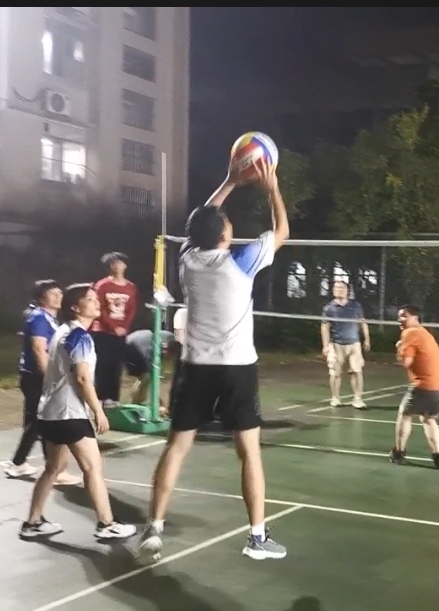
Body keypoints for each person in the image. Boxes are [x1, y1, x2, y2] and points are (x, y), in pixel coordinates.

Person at [137, 156, 289, 563]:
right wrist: (271, 188)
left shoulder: (187, 260)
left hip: (194, 368)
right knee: (249, 452)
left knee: (176, 448)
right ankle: (256, 537)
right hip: (236, 368)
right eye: (226, 223)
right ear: (224, 233)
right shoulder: (241, 261)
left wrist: (229, 181)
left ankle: (154, 528)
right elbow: (282, 231)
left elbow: (200, 222)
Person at [19, 283, 137, 541]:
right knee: (93, 468)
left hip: (50, 412)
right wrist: (98, 411)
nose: (97, 303)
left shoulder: (62, 331)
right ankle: (106, 524)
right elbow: (82, 379)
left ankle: (32, 522)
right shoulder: (79, 336)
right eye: (91, 299)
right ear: (75, 307)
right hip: (70, 413)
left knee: (53, 468)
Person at [5, 280, 82, 486]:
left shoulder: (49, 318)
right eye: (52, 294)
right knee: (45, 421)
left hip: (35, 377)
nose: (58, 297)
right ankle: (54, 469)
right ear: (41, 298)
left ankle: (19, 463)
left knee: (36, 422)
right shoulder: (39, 317)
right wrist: (51, 377)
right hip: (36, 376)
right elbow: (39, 349)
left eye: (59, 293)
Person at [389, 305, 439, 469]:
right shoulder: (424, 333)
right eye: (399, 316)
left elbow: (406, 362)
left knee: (405, 414)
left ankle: (399, 452)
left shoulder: (410, 333)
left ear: (415, 318)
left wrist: (399, 349)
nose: (400, 319)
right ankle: (438, 456)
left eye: (404, 316)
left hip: (425, 385)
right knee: (428, 417)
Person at [92, 252, 138, 406]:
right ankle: (101, 397)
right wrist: (112, 327)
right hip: (103, 332)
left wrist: (124, 327)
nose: (117, 266)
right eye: (113, 263)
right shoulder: (102, 285)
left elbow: (131, 309)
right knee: (103, 364)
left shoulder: (130, 287)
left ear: (125, 265)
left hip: (121, 333)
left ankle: (114, 397)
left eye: (120, 263)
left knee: (116, 366)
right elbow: (99, 308)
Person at [320, 280, 371, 409]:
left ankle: (358, 399)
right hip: (336, 344)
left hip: (354, 344)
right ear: (333, 290)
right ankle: (335, 398)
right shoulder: (329, 308)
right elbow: (325, 327)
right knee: (335, 373)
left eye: (342, 288)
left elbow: (363, 322)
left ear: (347, 290)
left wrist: (367, 339)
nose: (339, 290)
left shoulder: (356, 306)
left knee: (356, 371)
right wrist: (325, 346)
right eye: (336, 288)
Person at [122, 329, 180, 417]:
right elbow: (153, 381)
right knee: (145, 376)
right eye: (168, 357)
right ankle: (136, 404)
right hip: (132, 346)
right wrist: (161, 403)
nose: (168, 360)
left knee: (146, 377)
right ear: (166, 350)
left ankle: (138, 403)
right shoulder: (149, 352)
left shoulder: (169, 337)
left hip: (138, 339)